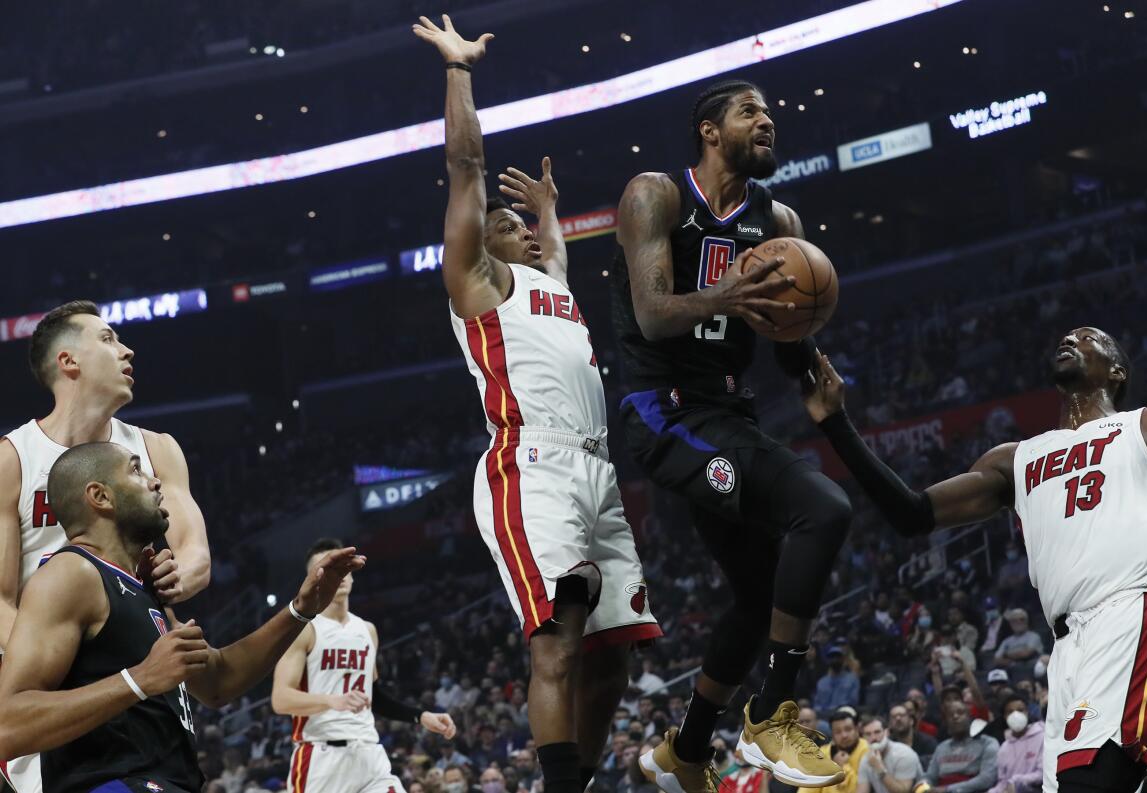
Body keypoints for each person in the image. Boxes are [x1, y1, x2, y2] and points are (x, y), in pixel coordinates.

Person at [412, 15, 662, 793]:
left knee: (613, 654)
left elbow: (553, 247)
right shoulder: (479, 284)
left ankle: (575, 781)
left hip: (598, 475)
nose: (522, 229)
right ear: (480, 242)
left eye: (526, 226)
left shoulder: (549, 277)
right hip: (534, 467)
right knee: (556, 643)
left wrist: (549, 208)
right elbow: (465, 166)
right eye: (507, 223)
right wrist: (460, 71)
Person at [804, 326, 1147, 793]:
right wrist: (835, 423)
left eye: (1088, 337)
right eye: (1066, 337)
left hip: (1132, 613)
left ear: (1117, 370)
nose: (1069, 339)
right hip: (1067, 643)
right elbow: (911, 513)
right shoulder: (1017, 458)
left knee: (1089, 783)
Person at [611, 76, 850, 792]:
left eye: (773, 113)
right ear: (710, 130)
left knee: (755, 593)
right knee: (823, 507)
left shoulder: (781, 222)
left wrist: (808, 355)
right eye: (751, 112)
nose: (768, 121)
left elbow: (782, 343)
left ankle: (683, 750)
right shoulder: (657, 194)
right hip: (668, 412)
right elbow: (652, 315)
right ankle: (772, 715)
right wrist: (725, 296)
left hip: (729, 414)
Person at [0, 442, 364, 792]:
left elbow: (219, 681)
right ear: (100, 497)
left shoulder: (143, 587)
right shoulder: (71, 574)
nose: (155, 481)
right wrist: (140, 679)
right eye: (136, 471)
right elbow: (7, 724)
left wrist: (300, 610)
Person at [0, 300, 213, 793]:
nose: (126, 349)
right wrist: (67, 665)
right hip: (45, 677)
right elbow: (2, 599)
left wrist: (180, 572)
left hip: (132, 663)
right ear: (68, 362)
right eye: (108, 338)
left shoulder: (156, 448)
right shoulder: (13, 459)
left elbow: (195, 550)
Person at [271, 538, 457, 793]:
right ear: (312, 580)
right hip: (321, 758)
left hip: (369, 753)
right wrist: (332, 701)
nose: (339, 574)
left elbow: (375, 697)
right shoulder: (303, 629)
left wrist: (421, 716)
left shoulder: (367, 630)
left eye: (343, 566)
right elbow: (281, 699)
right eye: (328, 567)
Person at [922, 701, 999, 793]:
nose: (955, 717)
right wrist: (924, 787)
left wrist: (948, 789)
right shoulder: (941, 747)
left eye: (960, 713)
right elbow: (930, 777)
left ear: (969, 717)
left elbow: (986, 779)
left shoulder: (987, 743)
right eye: (950, 715)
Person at [987, 697, 1043, 793]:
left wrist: (1016, 781)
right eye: (1010, 712)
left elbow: (1043, 774)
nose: (1016, 715)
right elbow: (1003, 782)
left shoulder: (1043, 737)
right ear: (1005, 717)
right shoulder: (1004, 748)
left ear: (1027, 712)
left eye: (1020, 710)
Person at [856, 717, 920, 793]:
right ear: (863, 737)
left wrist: (879, 769)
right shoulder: (866, 759)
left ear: (887, 732)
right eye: (868, 734)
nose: (873, 738)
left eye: (877, 732)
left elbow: (903, 791)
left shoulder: (904, 754)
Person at [818, 711, 868, 793]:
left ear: (856, 729)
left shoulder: (866, 750)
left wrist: (843, 767)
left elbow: (856, 789)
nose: (844, 735)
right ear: (833, 735)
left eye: (848, 729)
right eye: (838, 732)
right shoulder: (823, 752)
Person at [989, 611, 1042, 676]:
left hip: (1030, 668)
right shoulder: (1006, 641)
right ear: (1010, 624)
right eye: (1014, 620)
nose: (1018, 622)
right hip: (1011, 670)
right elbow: (996, 660)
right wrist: (1010, 662)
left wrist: (1006, 655)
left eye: (1022, 619)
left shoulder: (1034, 636)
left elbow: (1026, 654)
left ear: (1027, 621)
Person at [813, 646, 861, 715]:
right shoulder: (821, 682)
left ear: (843, 659)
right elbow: (816, 704)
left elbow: (853, 702)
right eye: (832, 657)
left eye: (838, 657)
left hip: (843, 715)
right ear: (828, 660)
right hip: (823, 716)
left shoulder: (852, 679)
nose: (835, 660)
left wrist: (837, 710)